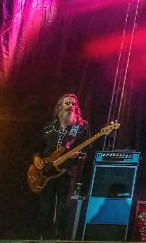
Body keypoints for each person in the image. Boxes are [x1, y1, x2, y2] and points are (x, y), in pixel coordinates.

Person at [32, 93, 91, 239]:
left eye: (74, 104)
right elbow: (36, 145)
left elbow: (87, 149)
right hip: (45, 171)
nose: (71, 106)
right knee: (46, 207)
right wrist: (36, 158)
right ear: (59, 106)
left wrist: (78, 154)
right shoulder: (48, 125)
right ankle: (45, 238)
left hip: (67, 171)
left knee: (64, 207)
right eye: (67, 103)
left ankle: (61, 238)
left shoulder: (81, 126)